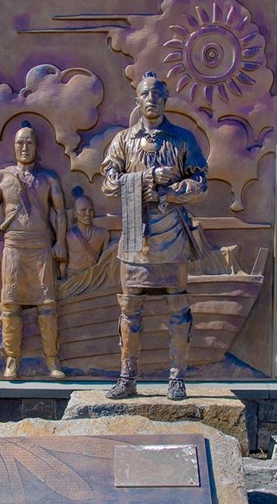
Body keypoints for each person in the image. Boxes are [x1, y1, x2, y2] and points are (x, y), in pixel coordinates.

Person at [101, 71, 207, 401]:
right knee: (130, 309)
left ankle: (176, 378)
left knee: (178, 308)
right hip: (135, 230)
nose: (151, 99)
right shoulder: (123, 140)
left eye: (157, 94)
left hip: (172, 231)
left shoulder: (183, 139)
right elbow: (108, 184)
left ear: (166, 99)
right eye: (145, 94)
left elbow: (201, 182)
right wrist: (147, 177)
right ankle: (127, 378)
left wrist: (174, 190)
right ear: (137, 100)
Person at [0, 122, 67, 379]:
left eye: (29, 143)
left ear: (37, 147)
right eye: (20, 143)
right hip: (13, 248)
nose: (24, 147)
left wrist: (61, 242)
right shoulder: (2, 177)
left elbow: (59, 213)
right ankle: (11, 360)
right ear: (14, 147)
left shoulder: (49, 178)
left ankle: (52, 360)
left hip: (41, 247)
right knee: (10, 306)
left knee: (47, 307)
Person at [64, 188, 109, 275]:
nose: (88, 214)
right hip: (72, 280)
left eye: (90, 210)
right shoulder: (67, 236)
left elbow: (106, 263)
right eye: (83, 210)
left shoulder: (103, 234)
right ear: (74, 214)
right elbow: (62, 262)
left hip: (95, 278)